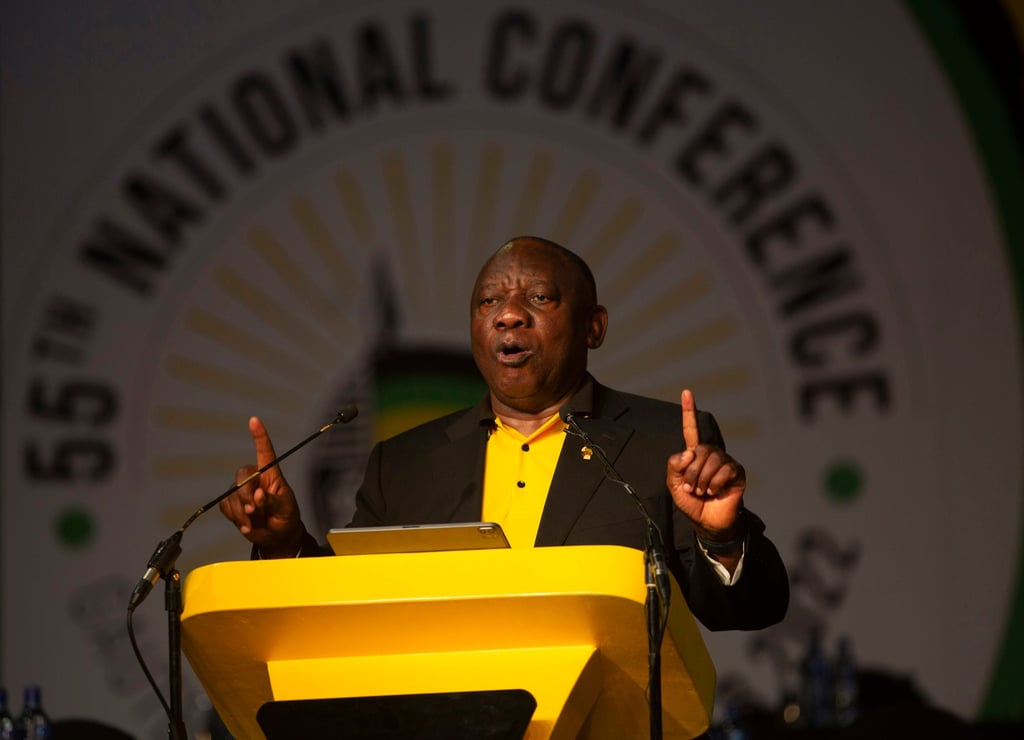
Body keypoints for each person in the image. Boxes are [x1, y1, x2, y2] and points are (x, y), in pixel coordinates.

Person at [219, 236, 788, 631]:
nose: (507, 315)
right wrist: (284, 545)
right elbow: (351, 613)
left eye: (538, 298)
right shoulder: (403, 463)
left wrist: (722, 538)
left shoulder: (662, 442)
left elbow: (751, 608)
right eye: (488, 300)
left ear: (594, 327)